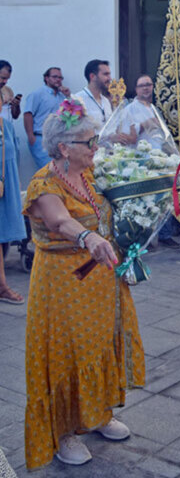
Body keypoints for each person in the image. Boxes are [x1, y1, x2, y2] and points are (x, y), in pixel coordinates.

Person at [22, 99, 144, 468]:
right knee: (67, 352)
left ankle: (97, 414)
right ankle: (64, 432)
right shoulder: (43, 183)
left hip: (101, 280)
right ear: (64, 148)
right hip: (62, 285)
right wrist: (88, 238)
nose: (96, 147)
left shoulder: (89, 174)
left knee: (97, 344)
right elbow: (59, 221)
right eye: (89, 142)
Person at [116, 75, 179, 246]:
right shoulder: (130, 109)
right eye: (142, 85)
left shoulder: (153, 108)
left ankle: (163, 235)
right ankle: (144, 237)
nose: (146, 88)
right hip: (142, 160)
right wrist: (145, 124)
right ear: (136, 89)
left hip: (158, 158)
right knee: (145, 201)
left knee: (162, 198)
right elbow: (128, 138)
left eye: (148, 85)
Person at [0, 93, 26, 304]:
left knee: (4, 237)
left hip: (6, 187)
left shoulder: (5, 125)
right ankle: (2, 286)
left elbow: (13, 156)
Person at [23, 67, 70, 169]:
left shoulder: (62, 97)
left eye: (60, 77)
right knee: (48, 170)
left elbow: (70, 115)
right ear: (46, 78)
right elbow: (28, 114)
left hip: (59, 140)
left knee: (60, 171)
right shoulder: (37, 94)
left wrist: (68, 96)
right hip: (41, 139)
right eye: (54, 77)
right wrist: (31, 136)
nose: (58, 79)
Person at [73, 59, 113, 131]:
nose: (110, 78)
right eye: (106, 74)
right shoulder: (77, 100)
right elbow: (75, 132)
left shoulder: (106, 101)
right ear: (92, 76)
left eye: (109, 74)